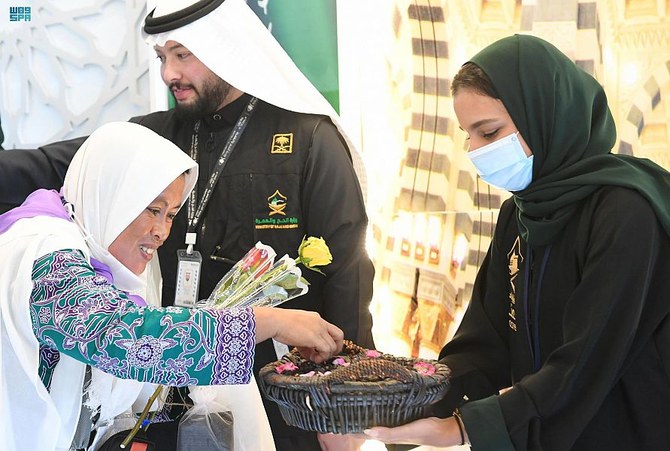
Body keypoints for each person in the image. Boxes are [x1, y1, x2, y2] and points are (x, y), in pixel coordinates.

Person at [0, 1, 375, 449]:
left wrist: (343, 406)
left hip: (282, 395)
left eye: (182, 55)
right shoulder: (145, 145)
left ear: (227, 47)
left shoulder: (310, 141)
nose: (168, 74)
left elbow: (348, 277)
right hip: (161, 387)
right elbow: (47, 167)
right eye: (162, 57)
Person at [364, 34, 670, 450]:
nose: (475, 151)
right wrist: (409, 394)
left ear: (544, 114)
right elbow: (486, 345)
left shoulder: (625, 211)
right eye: (467, 135)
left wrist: (469, 427)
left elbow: (587, 361)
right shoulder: (521, 213)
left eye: (488, 132)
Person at [0, 121, 344, 451]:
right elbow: (118, 336)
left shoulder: (93, 258)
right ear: (110, 195)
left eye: (171, 215)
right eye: (152, 210)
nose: (162, 232)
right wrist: (271, 322)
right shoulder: (41, 252)